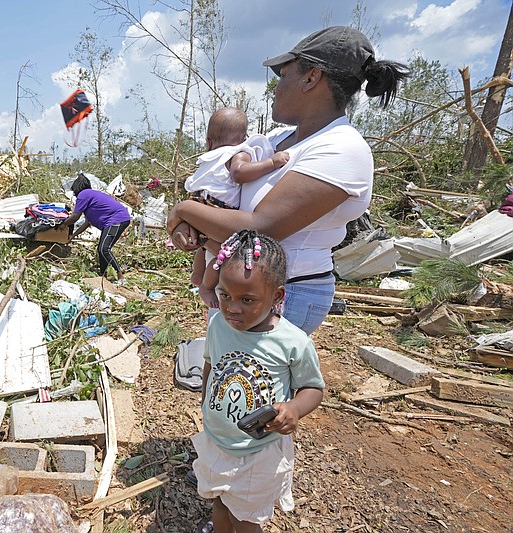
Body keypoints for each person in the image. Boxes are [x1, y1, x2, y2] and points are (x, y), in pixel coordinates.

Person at [168, 26, 410, 334]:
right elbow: (223, 194)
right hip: (239, 286)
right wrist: (193, 226)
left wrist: (183, 211)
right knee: (226, 373)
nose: (275, 88)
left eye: (283, 76)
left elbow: (262, 227)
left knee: (257, 380)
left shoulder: (341, 148)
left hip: (284, 291)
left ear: (311, 77)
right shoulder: (277, 139)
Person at [193, 229, 324, 533]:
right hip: (217, 439)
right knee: (220, 501)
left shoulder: (292, 342)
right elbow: (210, 366)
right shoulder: (217, 324)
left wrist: (294, 408)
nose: (232, 308)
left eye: (247, 299)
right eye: (224, 295)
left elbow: (313, 388)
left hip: (258, 450)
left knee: (246, 518)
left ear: (277, 296)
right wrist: (206, 405)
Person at [184, 107, 289, 308]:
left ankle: (197, 274)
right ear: (243, 139)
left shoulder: (210, 157)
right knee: (226, 254)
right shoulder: (237, 153)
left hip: (198, 206)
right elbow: (239, 174)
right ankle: (206, 285)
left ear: (208, 141)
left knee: (204, 243)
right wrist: (271, 163)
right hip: (216, 209)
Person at [61, 173, 131, 284]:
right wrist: (73, 236)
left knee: (104, 249)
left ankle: (120, 277)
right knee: (102, 249)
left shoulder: (83, 195)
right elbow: (86, 223)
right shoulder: (90, 196)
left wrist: (63, 224)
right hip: (116, 220)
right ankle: (103, 276)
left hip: (116, 220)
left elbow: (75, 217)